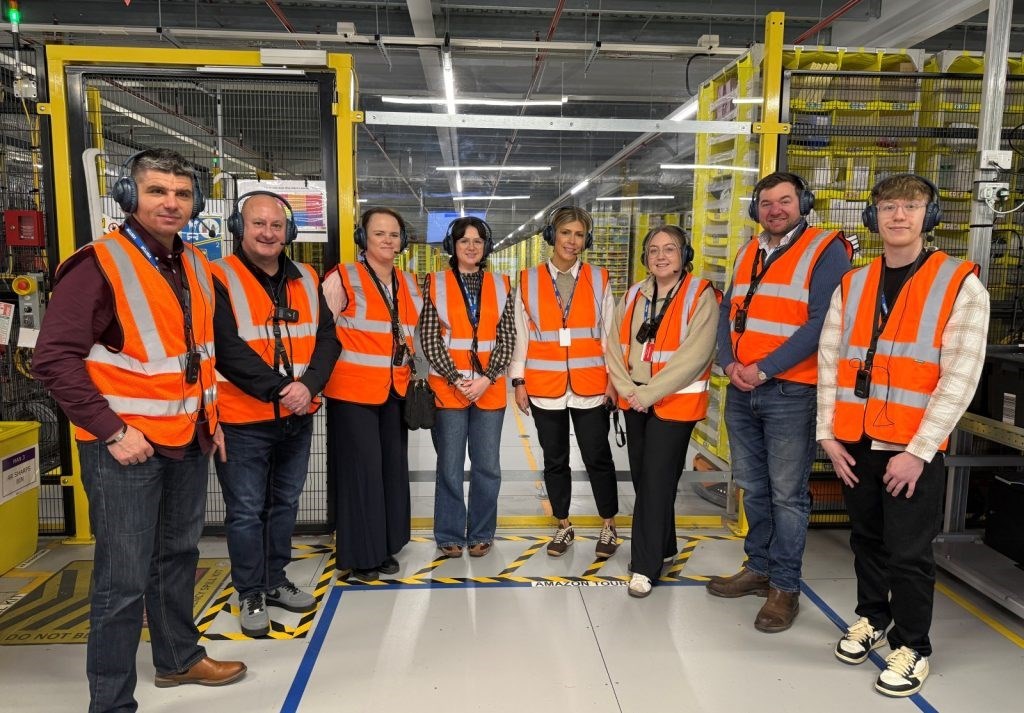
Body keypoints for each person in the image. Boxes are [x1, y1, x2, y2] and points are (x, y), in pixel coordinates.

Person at [32, 149, 246, 712]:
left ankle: (177, 660)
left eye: (180, 193)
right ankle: (110, 702)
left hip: (186, 439)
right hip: (124, 449)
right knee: (121, 581)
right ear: (131, 197)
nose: (170, 203)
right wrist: (109, 430)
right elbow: (53, 359)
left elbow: (198, 354)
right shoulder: (98, 264)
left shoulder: (197, 264)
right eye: (157, 191)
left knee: (177, 557)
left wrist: (212, 421)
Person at [817, 173, 988, 697]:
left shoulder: (959, 283)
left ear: (929, 217)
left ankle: (913, 646)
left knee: (909, 551)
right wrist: (827, 434)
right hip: (855, 441)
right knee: (866, 539)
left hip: (911, 448)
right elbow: (830, 361)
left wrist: (916, 452)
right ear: (873, 217)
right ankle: (872, 617)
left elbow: (960, 377)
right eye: (889, 206)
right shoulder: (855, 282)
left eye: (911, 206)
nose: (898, 215)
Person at [707, 171, 851, 633]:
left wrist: (764, 368)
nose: (775, 210)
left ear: (802, 203)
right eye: (766, 202)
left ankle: (784, 587)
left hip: (790, 391)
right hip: (742, 389)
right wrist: (729, 365)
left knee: (788, 494)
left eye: (784, 201)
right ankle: (759, 568)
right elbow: (730, 311)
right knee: (754, 485)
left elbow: (821, 323)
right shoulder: (749, 250)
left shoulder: (826, 249)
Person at [210, 191, 340, 637]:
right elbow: (226, 348)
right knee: (246, 510)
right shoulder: (217, 277)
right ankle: (249, 590)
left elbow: (328, 339)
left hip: (296, 416)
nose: (268, 233)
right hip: (242, 418)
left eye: (276, 225)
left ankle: (275, 579)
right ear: (238, 227)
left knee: (284, 503)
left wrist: (308, 387)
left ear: (289, 231)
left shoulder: (306, 276)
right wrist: (283, 388)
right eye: (258, 224)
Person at [606, 225, 719, 598]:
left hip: (675, 402)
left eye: (669, 249)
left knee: (654, 480)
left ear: (684, 255)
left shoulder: (700, 295)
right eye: (653, 250)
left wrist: (649, 393)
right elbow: (613, 345)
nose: (660, 256)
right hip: (635, 401)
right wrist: (627, 390)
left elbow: (695, 355)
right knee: (646, 478)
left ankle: (644, 565)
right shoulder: (635, 294)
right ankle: (665, 546)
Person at [510, 206, 620, 558]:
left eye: (579, 235)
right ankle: (563, 525)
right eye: (565, 233)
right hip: (545, 386)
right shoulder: (527, 280)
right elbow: (520, 335)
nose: (572, 241)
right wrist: (518, 381)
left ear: (586, 240)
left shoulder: (600, 278)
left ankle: (608, 525)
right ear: (551, 236)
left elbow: (610, 335)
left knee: (597, 456)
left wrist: (613, 381)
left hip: (591, 384)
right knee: (554, 459)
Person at [322, 208, 422, 581]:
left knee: (389, 469)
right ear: (363, 238)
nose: (387, 241)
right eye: (379, 233)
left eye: (394, 234)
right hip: (352, 393)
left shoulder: (408, 282)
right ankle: (361, 556)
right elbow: (322, 331)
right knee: (362, 473)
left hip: (394, 389)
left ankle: (386, 544)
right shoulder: (343, 278)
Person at [418, 217, 516, 558]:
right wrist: (457, 379)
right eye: (464, 241)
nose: (471, 246)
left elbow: (508, 337)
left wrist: (486, 378)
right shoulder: (435, 283)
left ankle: (481, 532)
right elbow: (429, 338)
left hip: (488, 388)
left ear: (485, 247)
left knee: (487, 465)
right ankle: (448, 534)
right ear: (453, 246)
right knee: (450, 464)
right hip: (448, 389)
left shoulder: (503, 284)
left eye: (477, 241)